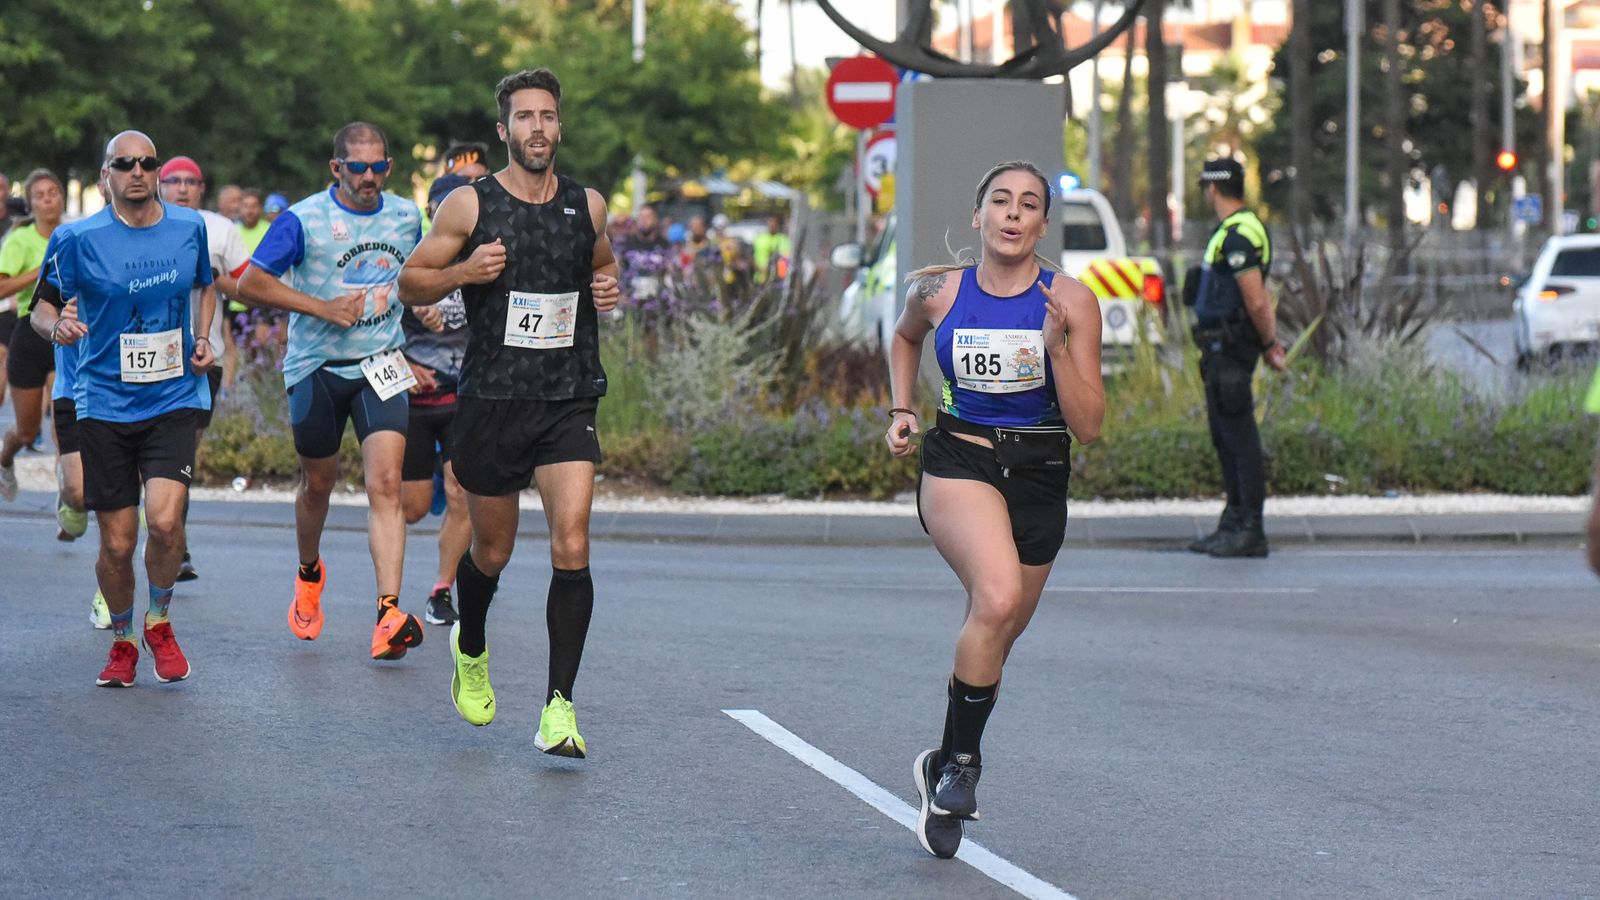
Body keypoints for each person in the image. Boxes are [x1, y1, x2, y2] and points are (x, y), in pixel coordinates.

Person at [399, 68, 621, 756]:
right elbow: (411, 278)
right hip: (493, 401)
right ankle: (471, 644)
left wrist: (607, 289)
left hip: (567, 396)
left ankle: (559, 707)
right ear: (505, 131)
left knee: (573, 541)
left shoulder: (588, 205)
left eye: (548, 116)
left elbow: (603, 267)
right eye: (524, 117)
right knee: (491, 551)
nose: (537, 128)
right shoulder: (470, 206)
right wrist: (464, 273)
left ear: (559, 126)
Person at [885, 161, 1104, 859]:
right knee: (999, 593)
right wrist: (901, 408)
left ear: (1043, 225)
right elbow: (902, 338)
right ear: (978, 216)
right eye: (1000, 202)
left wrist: (1056, 347)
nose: (1013, 214)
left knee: (997, 632)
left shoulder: (1071, 298)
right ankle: (962, 768)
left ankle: (941, 759)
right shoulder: (939, 292)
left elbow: (1091, 425)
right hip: (962, 461)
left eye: (1029, 205)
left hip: (1041, 475)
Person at [30, 130, 218, 687]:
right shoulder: (76, 238)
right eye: (124, 163)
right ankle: (122, 639)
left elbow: (206, 285)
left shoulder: (190, 227)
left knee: (163, 521)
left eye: (147, 162)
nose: (138, 171)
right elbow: (40, 308)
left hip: (174, 396)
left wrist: (202, 336)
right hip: (104, 401)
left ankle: (158, 620)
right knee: (116, 542)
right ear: (105, 174)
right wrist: (57, 326)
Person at [237, 121, 427, 661]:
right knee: (317, 484)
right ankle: (308, 572)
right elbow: (251, 283)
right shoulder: (303, 219)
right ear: (336, 168)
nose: (369, 178)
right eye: (358, 167)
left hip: (381, 363)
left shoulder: (405, 215)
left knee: (386, 484)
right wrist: (321, 308)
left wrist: (427, 300)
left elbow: (419, 272)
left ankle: (388, 613)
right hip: (317, 365)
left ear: (389, 168)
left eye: (379, 167)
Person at [1186, 157, 1285, 559]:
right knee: (1225, 437)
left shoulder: (1241, 232)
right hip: (1217, 348)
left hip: (1232, 347)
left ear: (1212, 189)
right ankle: (1233, 521)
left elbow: (1256, 299)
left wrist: (1270, 345)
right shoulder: (1231, 229)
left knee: (1240, 439)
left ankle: (1250, 529)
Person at [158, 156, 251, 580]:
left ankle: (173, 537)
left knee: (183, 454)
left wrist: (213, 276)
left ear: (201, 187)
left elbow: (246, 284)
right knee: (156, 452)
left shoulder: (220, 229)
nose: (181, 188)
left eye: (189, 181)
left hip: (202, 356)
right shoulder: (141, 225)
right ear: (159, 185)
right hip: (150, 355)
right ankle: (170, 540)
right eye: (172, 180)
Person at [401, 173, 472, 627]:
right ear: (431, 214)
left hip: (465, 397)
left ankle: (441, 590)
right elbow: (365, 330)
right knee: (412, 508)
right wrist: (401, 365)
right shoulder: (406, 262)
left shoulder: (486, 262)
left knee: (460, 491)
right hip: (411, 403)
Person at [0, 169, 67, 501]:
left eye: (53, 192)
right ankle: (5, 458)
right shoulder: (20, 240)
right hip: (29, 331)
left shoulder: (74, 234)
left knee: (63, 422)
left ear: (62, 198)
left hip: (65, 330)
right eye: (40, 195)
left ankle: (68, 493)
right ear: (31, 203)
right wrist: (39, 271)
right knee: (27, 432)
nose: (48, 199)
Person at [751, 213, 792, 283]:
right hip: (760, 278)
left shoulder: (783, 239)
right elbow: (751, 255)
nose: (772, 225)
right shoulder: (760, 238)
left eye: (774, 223)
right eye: (770, 222)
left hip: (776, 280)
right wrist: (758, 268)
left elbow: (786, 258)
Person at [236, 189, 269, 253]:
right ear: (239, 209)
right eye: (245, 206)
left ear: (260, 208)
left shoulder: (270, 230)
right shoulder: (232, 231)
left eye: (254, 206)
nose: (249, 211)